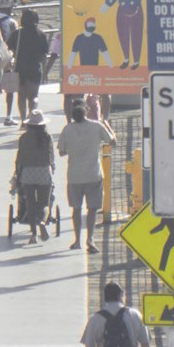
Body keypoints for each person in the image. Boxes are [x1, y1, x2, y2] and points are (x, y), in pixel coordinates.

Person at [58, 103, 115, 252]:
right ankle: (90, 239)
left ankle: (77, 241)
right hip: (94, 175)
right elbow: (112, 142)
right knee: (92, 210)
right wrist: (107, 126)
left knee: (76, 209)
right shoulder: (97, 126)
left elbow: (62, 152)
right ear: (85, 114)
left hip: (74, 176)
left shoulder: (67, 129)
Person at [81, 279, 150, 347]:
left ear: (105, 298)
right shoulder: (135, 314)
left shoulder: (95, 319)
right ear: (120, 296)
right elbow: (145, 342)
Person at [11, 109, 55, 243]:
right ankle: (42, 221)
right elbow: (51, 157)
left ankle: (33, 235)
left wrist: (17, 173)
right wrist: (53, 169)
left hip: (28, 172)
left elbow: (19, 158)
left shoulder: (23, 138)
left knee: (30, 203)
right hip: (43, 171)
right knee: (44, 203)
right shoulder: (47, 137)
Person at [12, 8, 48, 123]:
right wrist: (45, 71)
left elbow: (10, 49)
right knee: (33, 97)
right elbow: (43, 56)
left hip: (19, 67)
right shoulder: (40, 34)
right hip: (34, 68)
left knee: (21, 96)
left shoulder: (17, 34)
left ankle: (23, 120)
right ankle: (32, 118)